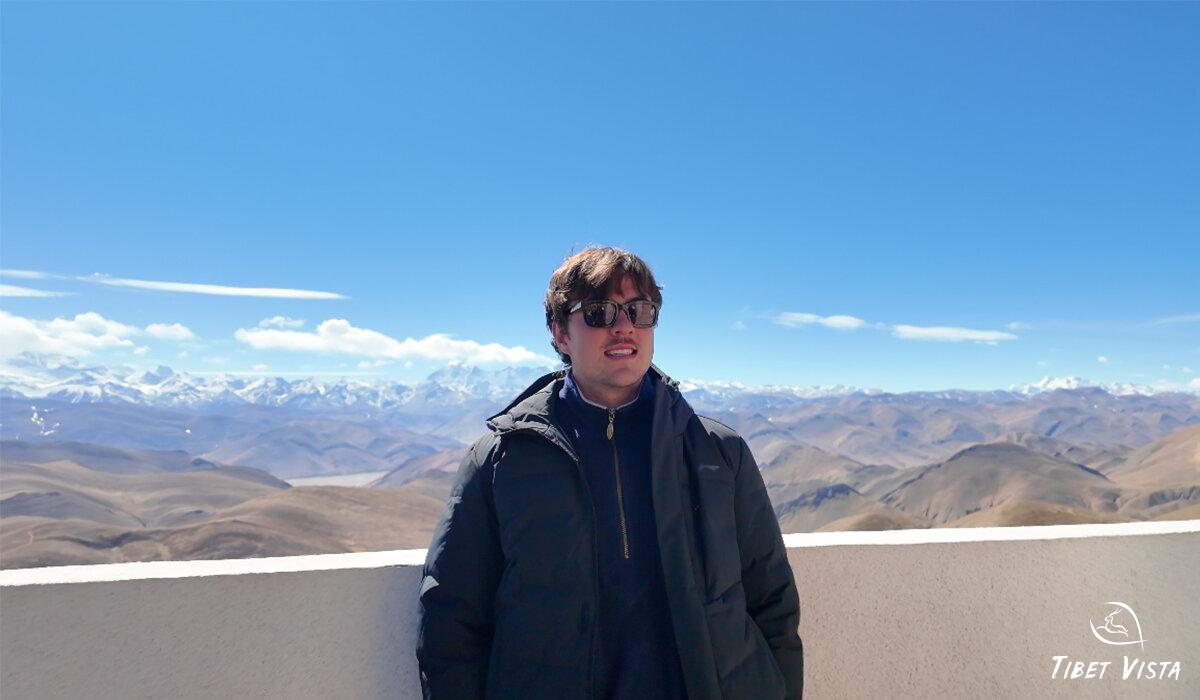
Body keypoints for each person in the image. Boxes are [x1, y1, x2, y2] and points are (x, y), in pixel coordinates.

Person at [416, 246, 803, 699]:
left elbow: (771, 599)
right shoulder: (502, 459)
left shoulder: (718, 454)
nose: (624, 326)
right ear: (560, 334)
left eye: (640, 310)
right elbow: (452, 617)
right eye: (599, 312)